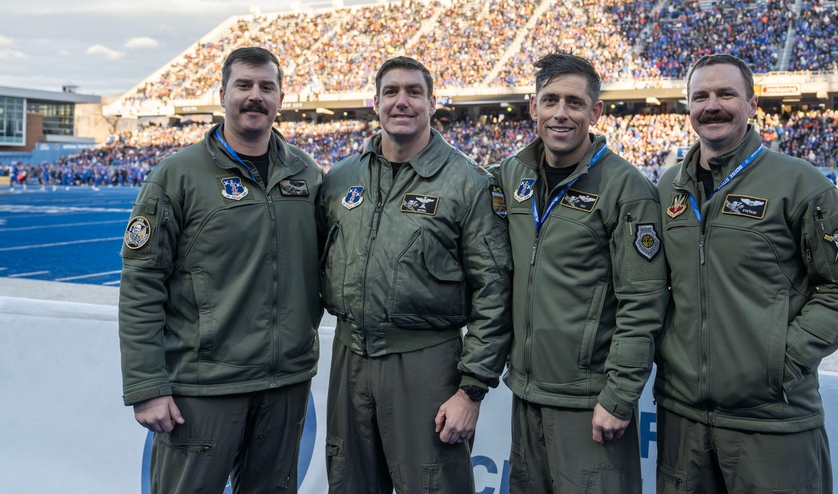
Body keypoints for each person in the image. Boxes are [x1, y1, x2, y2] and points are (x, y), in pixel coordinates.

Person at [654, 53, 838, 494]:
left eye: (726, 94)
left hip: (772, 422)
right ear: (688, 107)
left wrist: (779, 363)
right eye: (700, 96)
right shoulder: (666, 189)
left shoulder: (801, 183)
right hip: (683, 422)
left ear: (753, 104)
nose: (711, 105)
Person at [118, 47, 325, 493]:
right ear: (223, 94)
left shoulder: (306, 173)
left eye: (266, 87)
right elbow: (141, 283)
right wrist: (145, 385)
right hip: (206, 385)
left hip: (285, 383)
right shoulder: (177, 175)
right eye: (244, 85)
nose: (255, 96)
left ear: (281, 98)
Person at [319, 55, 512, 494]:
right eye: (391, 92)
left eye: (413, 92)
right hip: (350, 359)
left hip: (427, 362)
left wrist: (471, 391)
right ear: (375, 103)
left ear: (432, 102)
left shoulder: (469, 183)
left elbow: (495, 293)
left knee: (432, 486)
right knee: (348, 482)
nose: (401, 102)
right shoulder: (340, 179)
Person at [496, 52, 669, 493]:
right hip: (527, 394)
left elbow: (644, 302)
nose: (560, 113)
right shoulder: (513, 174)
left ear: (595, 112)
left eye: (574, 103)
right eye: (550, 100)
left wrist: (618, 396)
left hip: (590, 403)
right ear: (533, 107)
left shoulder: (626, 188)